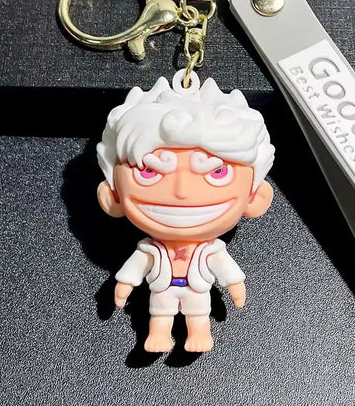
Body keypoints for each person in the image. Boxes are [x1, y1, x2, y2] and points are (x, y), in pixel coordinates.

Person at [96, 71, 275, 353]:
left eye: (217, 172)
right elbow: (136, 267)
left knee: (198, 313)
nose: (182, 191)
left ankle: (199, 334)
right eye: (149, 171)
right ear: (113, 195)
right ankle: (158, 335)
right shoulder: (151, 249)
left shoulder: (210, 250)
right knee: (160, 313)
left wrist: (235, 283)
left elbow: (225, 267)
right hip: (161, 289)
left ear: (255, 198)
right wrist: (125, 283)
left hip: (197, 290)